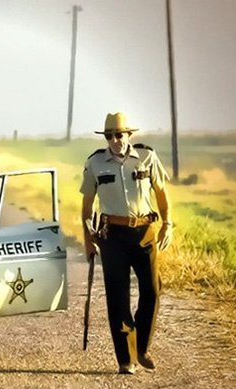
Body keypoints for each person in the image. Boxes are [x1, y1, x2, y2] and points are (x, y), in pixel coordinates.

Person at [80, 112, 173, 374]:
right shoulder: (95, 163)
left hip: (144, 232)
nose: (114, 141)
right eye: (109, 136)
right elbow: (87, 207)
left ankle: (141, 347)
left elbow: (162, 194)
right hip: (113, 236)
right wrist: (88, 241)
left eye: (118, 135)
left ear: (128, 135)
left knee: (152, 289)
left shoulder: (146, 157)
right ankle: (126, 359)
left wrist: (168, 224)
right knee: (117, 296)